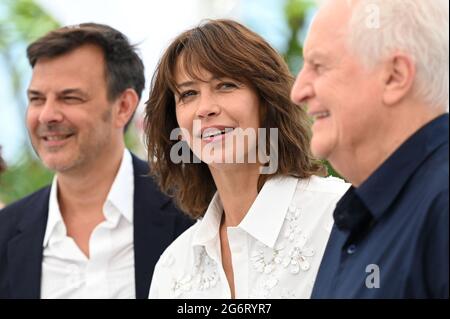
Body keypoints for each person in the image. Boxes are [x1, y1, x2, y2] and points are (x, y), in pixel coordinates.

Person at [145, 19, 350, 299]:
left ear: (266, 101)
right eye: (189, 93)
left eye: (226, 85)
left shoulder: (341, 215)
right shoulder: (172, 268)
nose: (205, 108)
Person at [0, 23, 193, 299]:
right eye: (37, 99)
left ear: (124, 107)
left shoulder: (192, 211)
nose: (46, 116)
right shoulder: (5, 233)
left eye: (69, 97)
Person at [291, 0, 449, 298]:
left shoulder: (440, 205)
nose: (298, 91)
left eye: (319, 66)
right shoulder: (352, 219)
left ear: (395, 76)